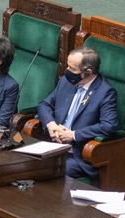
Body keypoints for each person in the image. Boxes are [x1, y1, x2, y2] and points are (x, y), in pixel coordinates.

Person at [37, 47, 119, 181]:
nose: (67, 72)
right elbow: (44, 105)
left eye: (72, 69)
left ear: (88, 72)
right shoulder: (66, 81)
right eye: (68, 66)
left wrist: (74, 135)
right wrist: (51, 125)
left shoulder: (105, 92)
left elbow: (109, 125)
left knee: (48, 169)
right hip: (53, 145)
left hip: (77, 154)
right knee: (23, 161)